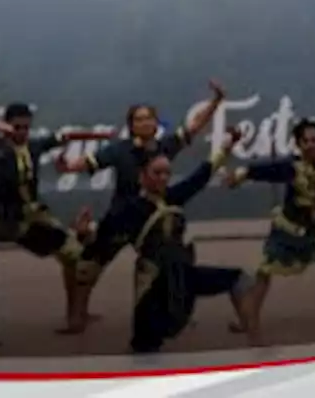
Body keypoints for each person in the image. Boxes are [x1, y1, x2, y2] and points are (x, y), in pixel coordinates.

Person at [55, 79, 227, 333]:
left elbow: (194, 126)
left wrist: (215, 101)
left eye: (149, 118)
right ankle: (77, 316)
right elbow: (87, 162)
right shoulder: (119, 151)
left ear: (156, 123)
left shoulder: (165, 146)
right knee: (88, 267)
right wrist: (68, 166)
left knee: (169, 264)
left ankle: (173, 312)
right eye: (139, 119)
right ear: (131, 125)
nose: (145, 122)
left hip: (155, 218)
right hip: (122, 217)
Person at [73, 127, 254, 353]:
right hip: (152, 282)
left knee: (239, 280)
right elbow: (100, 236)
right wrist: (83, 232)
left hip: (182, 273)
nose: (163, 178)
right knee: (145, 344)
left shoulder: (175, 196)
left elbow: (204, 172)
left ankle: (253, 338)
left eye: (167, 173)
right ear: (142, 176)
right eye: (157, 173)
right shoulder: (129, 209)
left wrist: (228, 144)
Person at [219, 117, 315, 345]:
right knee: (264, 272)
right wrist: (236, 177)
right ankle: (248, 323)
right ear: (298, 145)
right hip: (290, 233)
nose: (312, 144)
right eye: (306, 141)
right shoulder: (290, 167)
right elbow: (258, 171)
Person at [0, 102, 98, 339]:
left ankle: (75, 314)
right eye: (17, 127)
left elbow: (59, 138)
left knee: (74, 254)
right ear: (7, 125)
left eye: (26, 127)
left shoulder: (34, 146)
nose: (22, 132)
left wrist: (90, 136)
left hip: (32, 216)